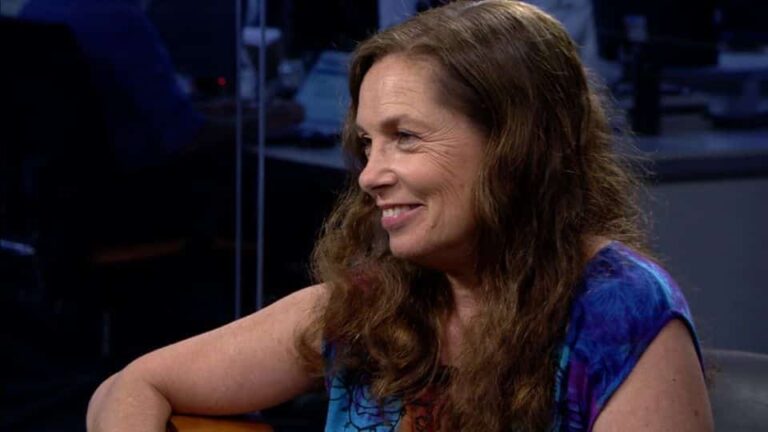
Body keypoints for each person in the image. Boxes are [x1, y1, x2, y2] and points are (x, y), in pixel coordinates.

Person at [86, 1, 713, 431]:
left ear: (516, 145)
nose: (369, 175)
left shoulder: (621, 313)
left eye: (405, 137)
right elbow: (130, 388)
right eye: (367, 144)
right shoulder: (369, 300)